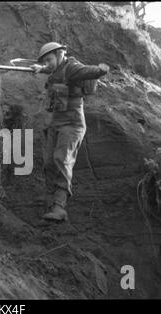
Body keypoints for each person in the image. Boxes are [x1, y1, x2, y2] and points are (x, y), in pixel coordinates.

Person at [30, 42, 110, 221]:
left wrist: (100, 70)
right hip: (56, 123)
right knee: (49, 162)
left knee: (61, 159)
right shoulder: (57, 68)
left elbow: (86, 72)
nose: (47, 63)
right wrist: (40, 68)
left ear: (60, 55)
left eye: (49, 59)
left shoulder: (72, 68)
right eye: (45, 61)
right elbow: (52, 70)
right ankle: (51, 205)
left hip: (72, 124)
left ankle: (59, 207)